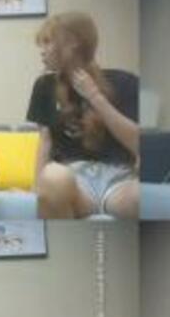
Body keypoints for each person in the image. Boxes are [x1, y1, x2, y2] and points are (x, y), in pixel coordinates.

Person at [28, 11, 139, 219]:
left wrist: (95, 97)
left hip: (119, 180)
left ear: (72, 43)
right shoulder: (45, 86)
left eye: (47, 42)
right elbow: (45, 142)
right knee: (53, 176)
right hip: (73, 181)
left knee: (143, 196)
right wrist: (35, 188)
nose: (41, 51)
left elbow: (138, 144)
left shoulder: (125, 81)